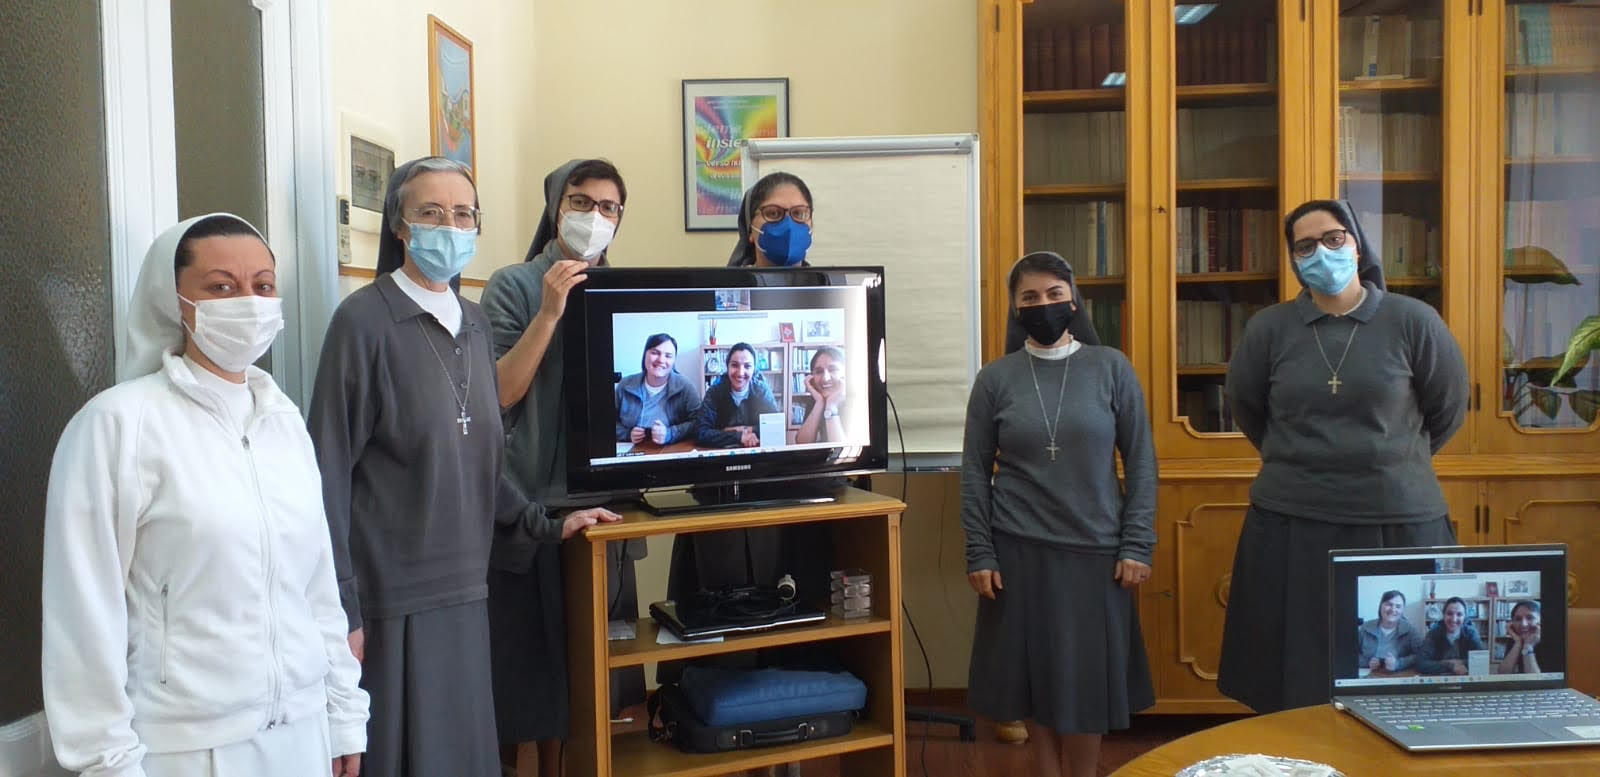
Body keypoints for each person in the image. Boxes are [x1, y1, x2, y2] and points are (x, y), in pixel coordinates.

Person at [309, 157, 618, 777]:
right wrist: (340, 609)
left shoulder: (473, 321)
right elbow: (326, 473)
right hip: (390, 596)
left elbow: (479, 459)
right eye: (430, 212)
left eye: (462, 214)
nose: (448, 226)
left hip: (468, 587)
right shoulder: (361, 322)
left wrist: (545, 523)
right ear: (400, 225)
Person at [42, 214, 369, 777]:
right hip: (186, 747)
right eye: (221, 286)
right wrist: (107, 762)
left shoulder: (285, 421)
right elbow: (84, 614)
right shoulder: (118, 425)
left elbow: (316, 585)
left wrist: (343, 715)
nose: (248, 302)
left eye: (263, 285)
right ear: (174, 302)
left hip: (303, 732)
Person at [1217, 200, 1469, 713]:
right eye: (1305, 246)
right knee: (1296, 681)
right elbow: (1248, 409)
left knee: (1402, 683)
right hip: (1292, 523)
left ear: (1356, 245)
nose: (1321, 252)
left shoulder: (1413, 320)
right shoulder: (1269, 328)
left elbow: (1447, 410)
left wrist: (1393, 460)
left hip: (1398, 521)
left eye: (1333, 239)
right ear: (1293, 260)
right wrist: (1301, 460)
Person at [961, 251, 1157, 777]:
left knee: (1086, 684)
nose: (1043, 305)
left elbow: (1141, 461)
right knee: (1034, 681)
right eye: (1029, 297)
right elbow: (975, 472)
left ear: (1073, 301)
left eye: (1054, 294)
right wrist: (980, 552)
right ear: (1014, 308)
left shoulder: (1111, 367)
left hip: (1095, 552)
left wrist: (1138, 543)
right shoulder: (995, 379)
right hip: (1017, 550)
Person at [481, 158, 642, 773]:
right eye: (580, 202)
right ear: (555, 208)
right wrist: (550, 310)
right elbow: (501, 392)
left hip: (604, 502)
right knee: (521, 665)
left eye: (608, 207)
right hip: (526, 502)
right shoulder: (513, 285)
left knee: (589, 666)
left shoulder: (625, 289)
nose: (594, 217)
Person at [615, 333, 700, 446]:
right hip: (632, 449)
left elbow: (698, 422)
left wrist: (671, 433)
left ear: (674, 361)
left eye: (668, 356)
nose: (661, 360)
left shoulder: (685, 386)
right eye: (655, 353)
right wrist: (627, 434)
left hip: (672, 449)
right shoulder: (625, 385)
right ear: (645, 355)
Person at [695, 341, 781, 448]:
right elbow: (700, 433)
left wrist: (731, 430)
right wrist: (739, 436)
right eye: (735, 365)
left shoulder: (762, 391)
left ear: (754, 369)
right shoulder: (714, 392)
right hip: (721, 453)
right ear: (727, 367)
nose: (740, 373)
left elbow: (775, 428)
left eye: (747, 366)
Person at [727, 171, 814, 268]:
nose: (789, 225)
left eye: (798, 213)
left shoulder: (824, 278)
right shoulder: (724, 278)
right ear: (750, 229)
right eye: (773, 213)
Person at [794, 346, 854, 444]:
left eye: (833, 369)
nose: (825, 378)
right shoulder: (817, 400)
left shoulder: (858, 402)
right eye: (819, 372)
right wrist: (819, 403)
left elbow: (842, 449)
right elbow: (802, 443)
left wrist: (831, 406)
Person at [1356, 590, 1425, 673]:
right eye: (1389, 604)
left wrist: (1399, 663)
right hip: (1369, 675)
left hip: (1399, 676)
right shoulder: (1365, 628)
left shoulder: (1410, 630)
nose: (1393, 609)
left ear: (1402, 610)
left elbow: (1421, 654)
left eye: (1398, 606)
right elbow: (1349, 654)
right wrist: (1367, 662)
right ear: (1380, 606)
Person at [1418, 597, 1486, 675]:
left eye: (1459, 614)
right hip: (1439, 679)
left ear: (1465, 617)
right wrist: (1450, 665)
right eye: (1449, 614)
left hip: (1464, 677)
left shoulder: (1471, 633)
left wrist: (1445, 663)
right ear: (1443, 615)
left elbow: (1482, 660)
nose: (1454, 619)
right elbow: (1421, 663)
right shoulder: (1433, 633)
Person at [1498, 600, 1542, 674]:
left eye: (1530, 618)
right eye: (1518, 619)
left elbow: (1535, 679)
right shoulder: (1516, 640)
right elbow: (1503, 674)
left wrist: (1528, 646)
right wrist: (1518, 643)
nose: (1523, 624)